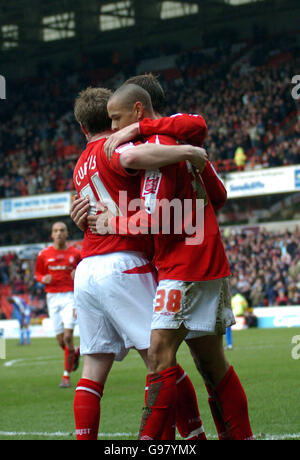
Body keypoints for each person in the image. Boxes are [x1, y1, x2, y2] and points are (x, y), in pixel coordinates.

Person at [94, 82, 254, 440]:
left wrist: (109, 221)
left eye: (117, 120)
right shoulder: (182, 144)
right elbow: (220, 195)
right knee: (212, 366)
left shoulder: (156, 150)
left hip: (183, 266)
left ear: (137, 111)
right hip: (210, 260)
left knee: (159, 356)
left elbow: (153, 219)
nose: (114, 129)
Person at [71, 86, 209, 441]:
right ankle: (193, 438)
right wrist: (188, 151)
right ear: (112, 119)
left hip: (86, 269)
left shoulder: (79, 164)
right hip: (122, 260)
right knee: (161, 361)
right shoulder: (117, 146)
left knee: (92, 369)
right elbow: (129, 160)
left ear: (83, 128)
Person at [35, 222, 81, 388]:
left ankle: (66, 377)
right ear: (52, 235)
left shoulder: (76, 253)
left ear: (67, 234)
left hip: (70, 296)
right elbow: (38, 273)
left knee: (68, 336)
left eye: (62, 230)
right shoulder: (43, 255)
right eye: (56, 231)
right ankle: (75, 352)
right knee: (61, 341)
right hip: (52, 298)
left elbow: (85, 267)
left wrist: (79, 272)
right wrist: (42, 279)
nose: (59, 233)